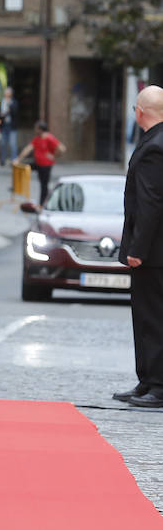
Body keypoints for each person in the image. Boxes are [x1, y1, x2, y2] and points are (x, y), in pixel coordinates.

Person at [115, 85, 163, 409]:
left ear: (140, 112)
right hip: (155, 251)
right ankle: (147, 380)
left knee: (151, 318)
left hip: (153, 253)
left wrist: (138, 248)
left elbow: (150, 203)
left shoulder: (154, 148)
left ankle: (157, 385)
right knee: (147, 317)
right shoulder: (156, 142)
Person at [14, 121, 66, 205]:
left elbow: (62, 148)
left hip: (45, 166)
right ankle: (16, 186)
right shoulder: (37, 139)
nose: (35, 130)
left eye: (36, 128)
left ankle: (43, 204)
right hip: (38, 163)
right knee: (23, 167)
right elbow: (28, 149)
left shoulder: (49, 138)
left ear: (40, 129)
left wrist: (54, 156)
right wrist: (18, 159)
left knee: (44, 185)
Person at [0, 87, 18, 165]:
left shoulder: (14, 102)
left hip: (12, 126)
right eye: (6, 92)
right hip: (4, 125)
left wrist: (7, 110)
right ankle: (2, 160)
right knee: (3, 143)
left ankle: (14, 160)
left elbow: (15, 111)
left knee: (13, 144)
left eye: (8, 92)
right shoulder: (1, 102)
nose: (6, 94)